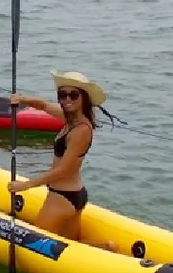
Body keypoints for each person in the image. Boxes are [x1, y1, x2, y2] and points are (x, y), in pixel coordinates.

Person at [7, 71, 106, 241]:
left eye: (73, 95)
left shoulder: (82, 130)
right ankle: (107, 247)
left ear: (84, 98)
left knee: (34, 244)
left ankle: (109, 249)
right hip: (73, 194)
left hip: (62, 196)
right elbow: (44, 105)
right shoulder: (71, 119)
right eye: (62, 95)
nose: (67, 99)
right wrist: (22, 99)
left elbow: (63, 170)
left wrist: (26, 185)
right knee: (71, 247)